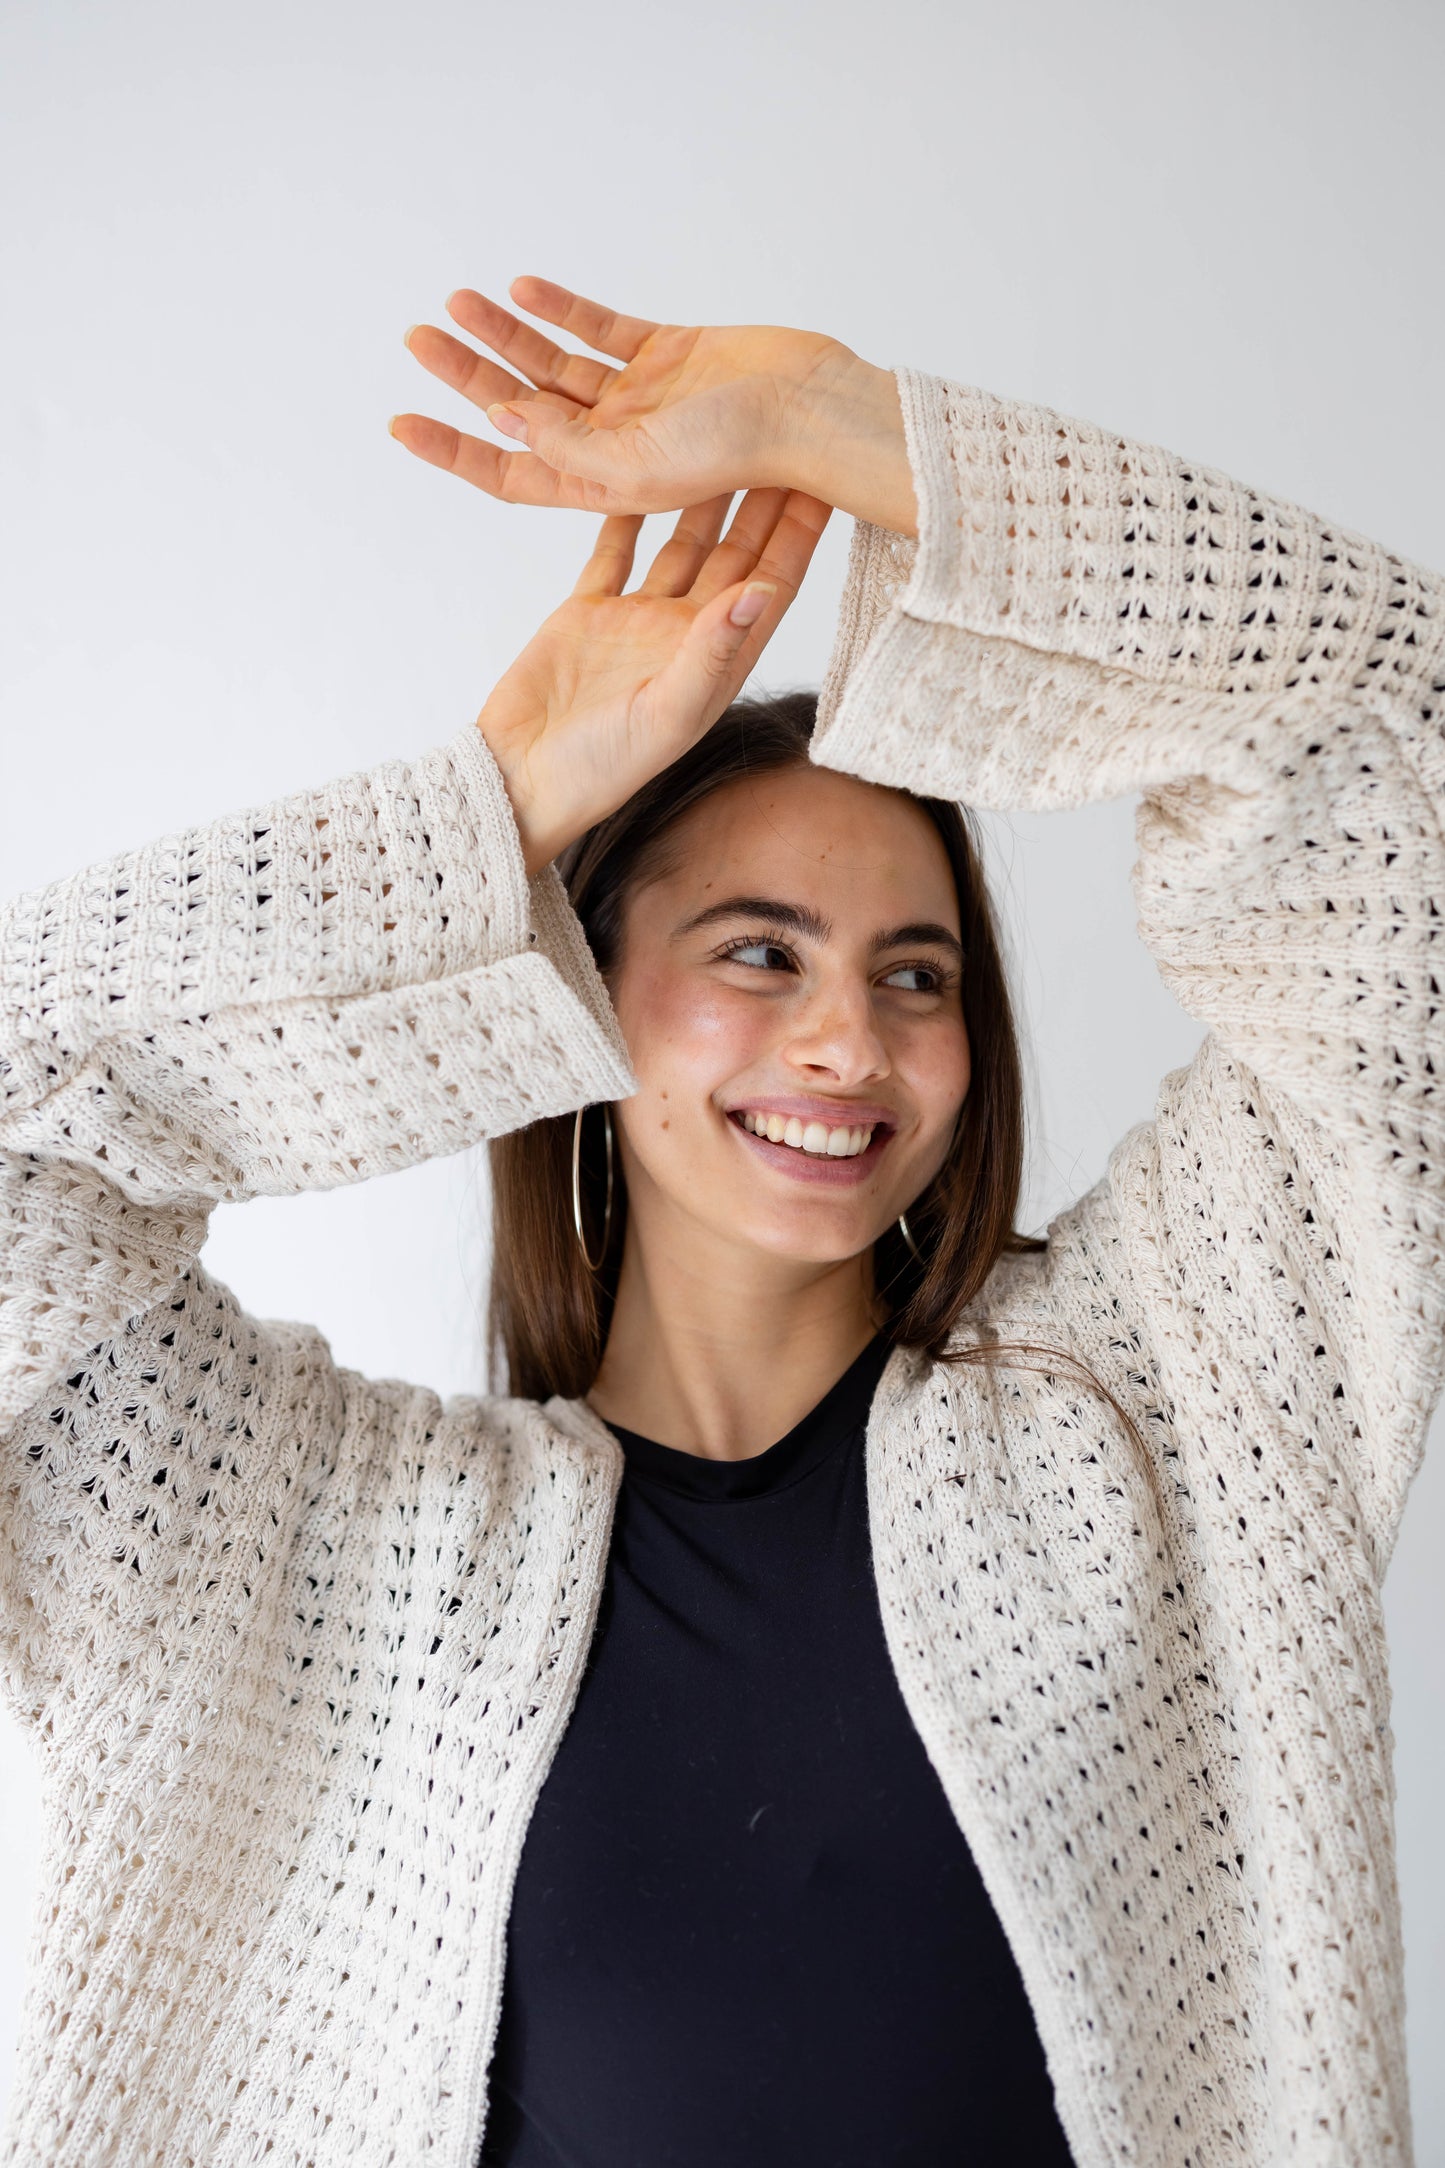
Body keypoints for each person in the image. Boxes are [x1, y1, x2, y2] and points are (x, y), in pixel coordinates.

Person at [0, 277, 1438, 2168]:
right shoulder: (287, 1534)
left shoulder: (1166, 1411)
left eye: (914, 974)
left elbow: (1390, 749)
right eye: (755, 952)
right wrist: (484, 817)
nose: (850, 1038)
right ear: (575, 999)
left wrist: (851, 433)